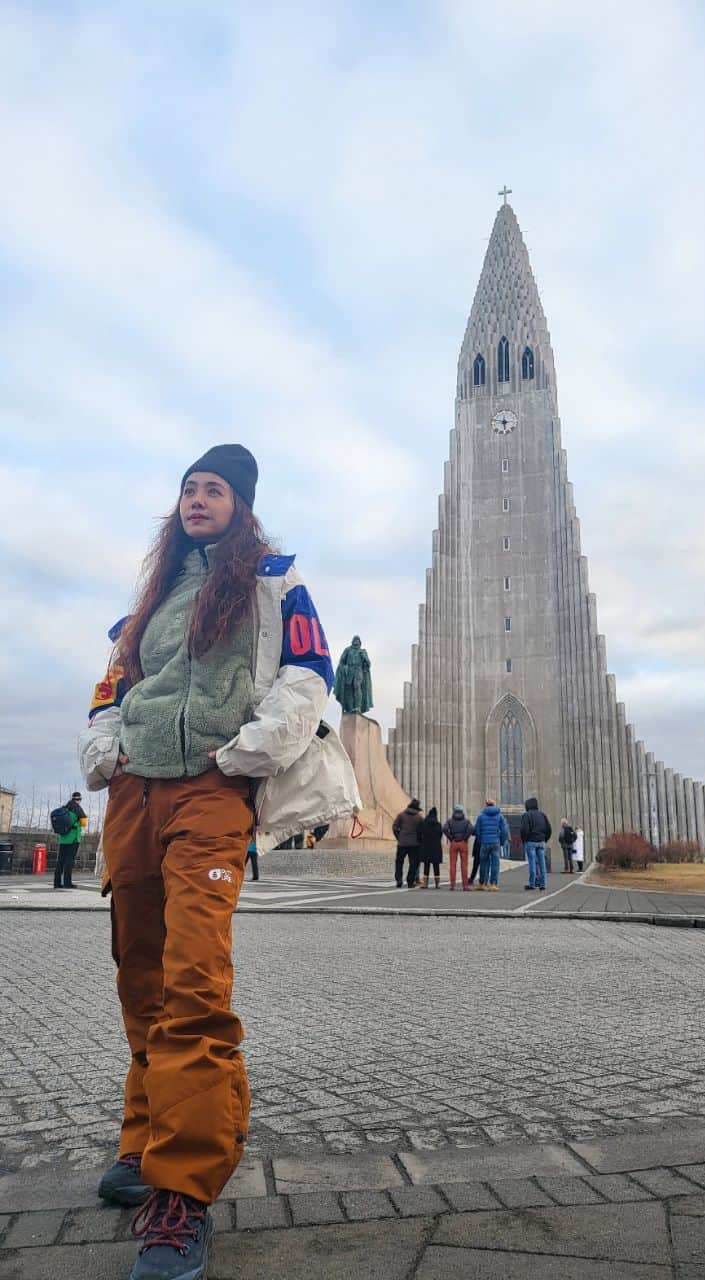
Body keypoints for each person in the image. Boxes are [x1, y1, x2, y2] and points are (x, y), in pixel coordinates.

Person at [78, 443, 357, 1280]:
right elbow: (114, 687)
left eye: (215, 490)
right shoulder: (151, 599)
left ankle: (182, 1195)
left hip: (210, 789)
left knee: (193, 982)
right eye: (189, 488)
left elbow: (309, 674)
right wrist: (106, 750)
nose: (198, 498)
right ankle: (143, 1143)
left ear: (242, 506)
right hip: (135, 793)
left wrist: (245, 755)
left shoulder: (274, 579)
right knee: (141, 974)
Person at [473, 798, 509, 892]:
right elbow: (505, 831)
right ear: (494, 805)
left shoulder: (481, 816)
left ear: (486, 805)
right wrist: (501, 841)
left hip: (484, 842)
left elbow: (477, 831)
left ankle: (482, 883)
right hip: (495, 842)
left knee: (483, 863)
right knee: (495, 864)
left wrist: (481, 840)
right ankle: (493, 884)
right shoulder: (500, 816)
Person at [53, 791, 86, 890]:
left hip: (63, 838)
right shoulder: (78, 809)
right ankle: (67, 883)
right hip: (73, 839)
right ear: (79, 799)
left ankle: (57, 883)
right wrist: (78, 824)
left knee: (60, 861)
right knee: (69, 861)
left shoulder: (65, 807)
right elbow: (84, 823)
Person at [520, 797, 552, 891]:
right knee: (542, 863)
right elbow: (549, 829)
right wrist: (544, 839)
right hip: (541, 842)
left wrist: (524, 840)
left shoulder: (527, 815)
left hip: (531, 842)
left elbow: (524, 830)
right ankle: (543, 884)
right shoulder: (542, 815)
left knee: (532, 863)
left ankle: (532, 883)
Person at [392, 798, 424, 887]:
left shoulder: (401, 815)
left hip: (402, 843)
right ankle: (410, 881)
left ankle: (399, 879)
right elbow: (422, 831)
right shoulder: (419, 818)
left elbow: (394, 827)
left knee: (399, 862)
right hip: (415, 844)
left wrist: (398, 837)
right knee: (414, 863)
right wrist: (420, 840)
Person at [442, 804, 474, 891]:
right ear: (462, 812)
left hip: (454, 843)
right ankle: (465, 886)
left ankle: (452, 885)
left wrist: (450, 838)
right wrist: (465, 838)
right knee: (464, 865)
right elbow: (471, 829)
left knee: (452, 865)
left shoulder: (449, 821)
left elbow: (444, 829)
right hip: (463, 843)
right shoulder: (466, 821)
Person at [418, 806, 443, 888]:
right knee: (436, 865)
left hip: (426, 846)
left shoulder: (424, 824)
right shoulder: (438, 825)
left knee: (426, 865)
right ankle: (437, 884)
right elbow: (440, 835)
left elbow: (420, 833)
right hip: (436, 847)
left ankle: (425, 884)